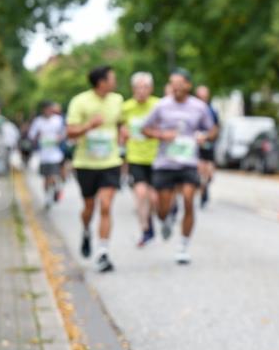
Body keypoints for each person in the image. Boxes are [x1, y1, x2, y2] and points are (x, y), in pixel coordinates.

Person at [141, 68, 217, 265]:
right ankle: (165, 219)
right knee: (163, 207)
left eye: (179, 83)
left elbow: (212, 129)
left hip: (188, 162)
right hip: (165, 162)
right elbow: (145, 128)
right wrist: (162, 135)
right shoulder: (161, 106)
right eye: (172, 83)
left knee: (189, 199)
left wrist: (205, 137)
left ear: (188, 85)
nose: (175, 87)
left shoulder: (199, 107)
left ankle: (183, 246)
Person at [66, 65, 124, 273]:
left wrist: (123, 133)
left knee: (106, 205)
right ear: (101, 82)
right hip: (86, 164)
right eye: (112, 78)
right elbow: (70, 132)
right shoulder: (80, 101)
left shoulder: (117, 100)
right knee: (89, 207)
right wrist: (89, 126)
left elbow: (121, 123)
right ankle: (86, 230)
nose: (115, 82)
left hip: (110, 162)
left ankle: (103, 253)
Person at [121, 72, 161, 246]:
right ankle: (145, 230)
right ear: (133, 89)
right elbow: (120, 126)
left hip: (156, 157)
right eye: (138, 87)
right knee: (140, 194)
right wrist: (122, 133)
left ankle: (154, 221)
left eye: (145, 87)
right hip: (135, 156)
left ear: (151, 89)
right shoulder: (126, 107)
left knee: (154, 199)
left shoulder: (158, 105)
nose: (141, 91)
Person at [28, 101, 66, 209]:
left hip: (55, 154)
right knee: (46, 178)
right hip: (43, 155)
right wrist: (37, 137)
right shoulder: (38, 121)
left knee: (53, 176)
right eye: (46, 109)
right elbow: (31, 135)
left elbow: (64, 133)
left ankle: (56, 188)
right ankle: (47, 197)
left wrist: (59, 138)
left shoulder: (58, 120)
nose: (48, 111)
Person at [194, 85, 220, 207]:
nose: (202, 99)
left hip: (208, 144)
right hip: (195, 144)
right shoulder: (192, 109)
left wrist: (209, 137)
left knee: (209, 173)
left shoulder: (212, 111)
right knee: (200, 168)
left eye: (204, 97)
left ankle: (205, 187)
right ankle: (202, 190)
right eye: (200, 97)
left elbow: (216, 128)